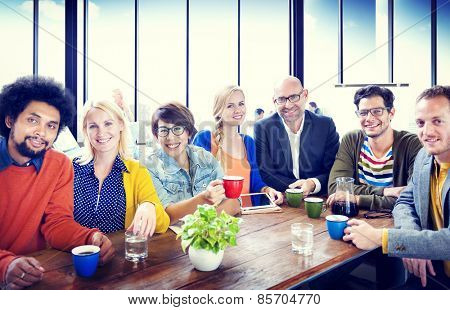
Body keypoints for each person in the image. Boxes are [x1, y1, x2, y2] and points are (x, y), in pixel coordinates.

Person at [0, 76, 114, 289]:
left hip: (36, 275)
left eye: (51, 125)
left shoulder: (60, 164)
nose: (41, 132)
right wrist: (5, 265)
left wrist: (90, 237)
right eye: (32, 120)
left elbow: (57, 223)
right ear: (10, 120)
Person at [343, 85, 450, 288]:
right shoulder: (424, 157)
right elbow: (405, 201)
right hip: (435, 274)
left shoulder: (411, 147)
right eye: (420, 122)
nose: (426, 132)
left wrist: (381, 238)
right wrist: (411, 244)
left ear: (390, 113)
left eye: (437, 121)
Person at [73, 99, 170, 236]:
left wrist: (149, 206)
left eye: (108, 124)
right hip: (74, 254)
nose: (101, 132)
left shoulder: (136, 170)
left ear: (121, 125)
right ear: (85, 131)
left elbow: (163, 224)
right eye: (93, 126)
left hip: (117, 254)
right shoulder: (71, 169)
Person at [327, 85, 422, 210]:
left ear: (391, 113)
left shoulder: (411, 143)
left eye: (377, 111)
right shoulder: (352, 140)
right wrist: (385, 191)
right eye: (363, 112)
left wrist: (357, 199)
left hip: (396, 221)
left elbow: (413, 197)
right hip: (355, 218)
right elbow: (336, 188)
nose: (369, 118)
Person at [146, 102, 240, 224]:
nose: (170, 137)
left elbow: (234, 201)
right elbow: (166, 215)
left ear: (189, 132)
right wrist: (202, 199)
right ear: (156, 135)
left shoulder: (204, 157)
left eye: (178, 129)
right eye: (163, 131)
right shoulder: (150, 167)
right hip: (171, 240)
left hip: (210, 236)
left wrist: (205, 226)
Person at [193, 85, 283, 206]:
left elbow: (255, 182)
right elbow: (196, 184)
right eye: (230, 106)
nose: (238, 110)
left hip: (250, 216)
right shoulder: (204, 139)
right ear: (219, 111)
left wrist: (268, 190)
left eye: (241, 104)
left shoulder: (248, 142)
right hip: (219, 217)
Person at [254, 76, 340, 195]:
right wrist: (297, 188)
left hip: (319, 199)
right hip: (281, 199)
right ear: (274, 101)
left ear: (305, 95)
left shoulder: (325, 125)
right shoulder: (263, 128)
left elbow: (334, 169)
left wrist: (313, 183)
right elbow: (265, 172)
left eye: (294, 97)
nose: (288, 105)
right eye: (281, 99)